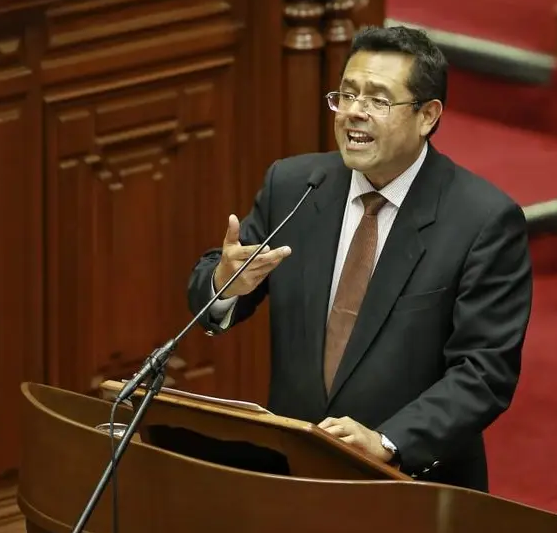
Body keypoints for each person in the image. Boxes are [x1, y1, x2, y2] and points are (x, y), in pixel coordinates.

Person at [186, 25, 532, 491]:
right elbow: (214, 289)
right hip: (292, 480)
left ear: (428, 115)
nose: (354, 113)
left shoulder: (483, 221)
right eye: (346, 95)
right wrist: (224, 285)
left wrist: (389, 441)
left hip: (410, 489)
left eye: (378, 100)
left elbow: (484, 373)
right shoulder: (295, 187)